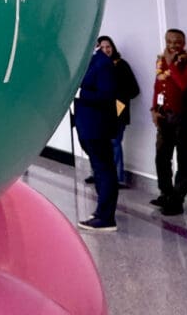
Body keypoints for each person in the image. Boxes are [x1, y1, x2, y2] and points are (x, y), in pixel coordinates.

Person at [150, 28, 187, 216]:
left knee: (184, 158)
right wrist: (153, 109)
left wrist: (171, 64)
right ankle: (166, 193)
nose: (173, 45)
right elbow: (157, 86)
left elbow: (184, 84)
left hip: (183, 116)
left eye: (177, 42)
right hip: (164, 116)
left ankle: (177, 199)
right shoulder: (161, 60)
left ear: (184, 43)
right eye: (169, 41)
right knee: (162, 156)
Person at [75, 46, 119, 232]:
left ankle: (106, 217)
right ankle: (101, 210)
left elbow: (106, 95)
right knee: (98, 170)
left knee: (104, 169)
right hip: (86, 124)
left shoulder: (102, 64)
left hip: (97, 126)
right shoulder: (88, 61)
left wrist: (78, 93)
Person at [97, 36, 139, 187]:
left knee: (114, 143)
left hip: (117, 112)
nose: (106, 50)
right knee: (99, 144)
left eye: (108, 47)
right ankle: (101, 175)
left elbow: (134, 90)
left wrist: (116, 95)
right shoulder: (97, 65)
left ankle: (117, 177)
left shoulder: (121, 65)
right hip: (100, 112)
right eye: (102, 47)